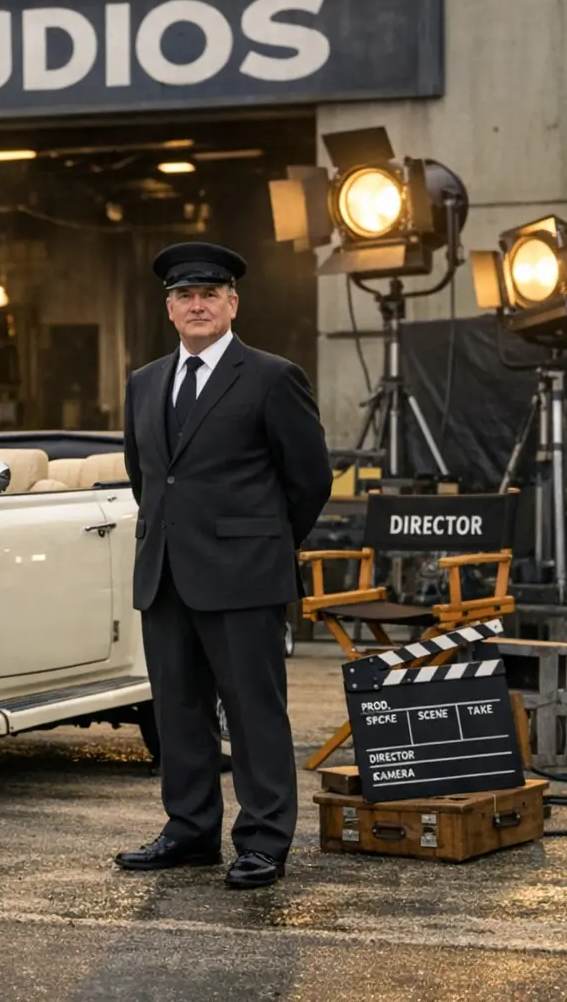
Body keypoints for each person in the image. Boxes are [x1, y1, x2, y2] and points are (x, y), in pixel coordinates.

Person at [114, 242, 333, 890]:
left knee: (253, 713)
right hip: (166, 575)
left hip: (244, 576)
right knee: (179, 713)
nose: (198, 305)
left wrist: (260, 543)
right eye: (185, 296)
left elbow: (310, 479)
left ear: (233, 304)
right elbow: (145, 476)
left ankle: (264, 841)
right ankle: (189, 830)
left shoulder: (271, 376)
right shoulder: (145, 382)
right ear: (170, 309)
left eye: (211, 294)